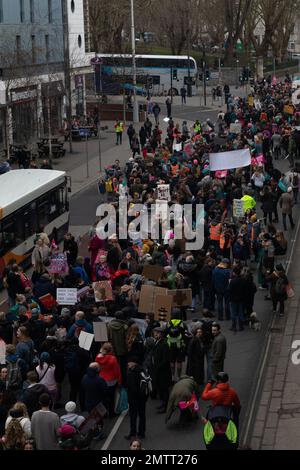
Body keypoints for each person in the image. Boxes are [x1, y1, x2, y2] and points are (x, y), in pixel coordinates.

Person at [95, 342, 122, 418]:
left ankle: (104, 413)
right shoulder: (113, 359)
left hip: (102, 379)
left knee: (103, 398)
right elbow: (117, 371)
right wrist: (119, 380)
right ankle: (111, 413)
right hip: (111, 380)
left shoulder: (98, 358)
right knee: (111, 398)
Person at [125, 360, 148, 440]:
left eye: (129, 362)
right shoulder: (143, 370)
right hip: (142, 398)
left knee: (133, 416)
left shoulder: (131, 373)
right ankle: (141, 432)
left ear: (134, 363)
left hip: (134, 398)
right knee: (142, 415)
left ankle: (132, 433)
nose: (128, 364)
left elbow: (132, 387)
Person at [151, 327, 172, 413]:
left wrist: (157, 367)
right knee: (160, 388)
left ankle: (166, 406)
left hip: (163, 371)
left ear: (161, 334)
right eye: (155, 333)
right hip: (158, 370)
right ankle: (163, 403)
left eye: (157, 333)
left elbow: (165, 359)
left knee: (164, 389)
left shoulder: (164, 344)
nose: (155, 334)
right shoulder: (157, 342)